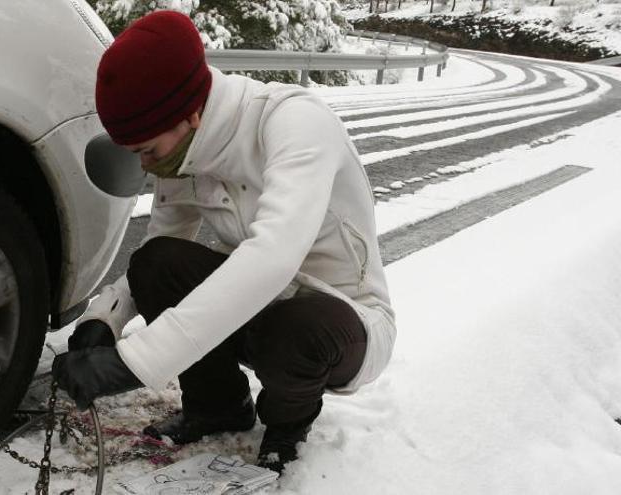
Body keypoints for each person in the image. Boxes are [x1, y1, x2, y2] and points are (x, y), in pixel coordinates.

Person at [52, 10, 396, 474]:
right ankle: (217, 406)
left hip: (343, 319)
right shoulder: (183, 152)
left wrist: (130, 364)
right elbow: (160, 250)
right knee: (157, 262)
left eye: (148, 152)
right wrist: (105, 320)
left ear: (191, 114)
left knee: (294, 330)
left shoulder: (295, 124)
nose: (147, 168)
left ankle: (287, 428)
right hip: (263, 307)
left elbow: (271, 258)